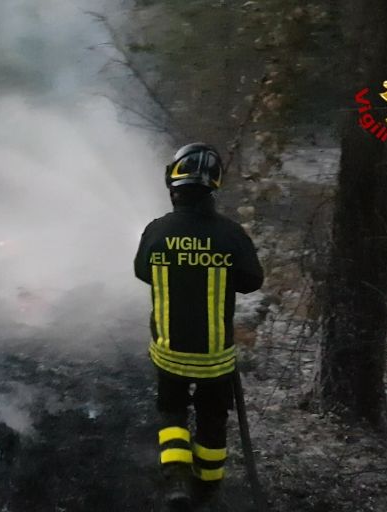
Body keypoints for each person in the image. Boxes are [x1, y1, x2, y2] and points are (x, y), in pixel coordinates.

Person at [133, 143, 264, 509]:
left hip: (169, 352)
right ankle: (207, 488)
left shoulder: (157, 232)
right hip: (214, 359)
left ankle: (175, 481)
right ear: (214, 186)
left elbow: (142, 272)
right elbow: (252, 280)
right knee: (211, 420)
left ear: (174, 184)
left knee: (172, 413)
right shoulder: (231, 234)